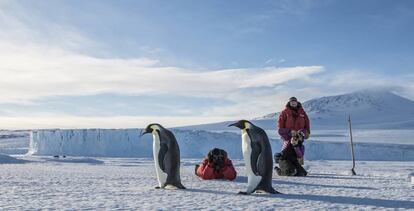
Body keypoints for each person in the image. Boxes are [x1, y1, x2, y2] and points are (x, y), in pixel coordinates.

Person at [275, 96, 310, 176]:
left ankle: (296, 167)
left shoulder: (302, 113)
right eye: (292, 102)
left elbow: (307, 126)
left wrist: (303, 133)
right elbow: (280, 128)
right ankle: (284, 168)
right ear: (289, 103)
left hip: (299, 137)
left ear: (297, 102)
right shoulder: (284, 113)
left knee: (298, 154)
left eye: (295, 101)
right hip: (288, 137)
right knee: (287, 154)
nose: (293, 103)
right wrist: (289, 132)